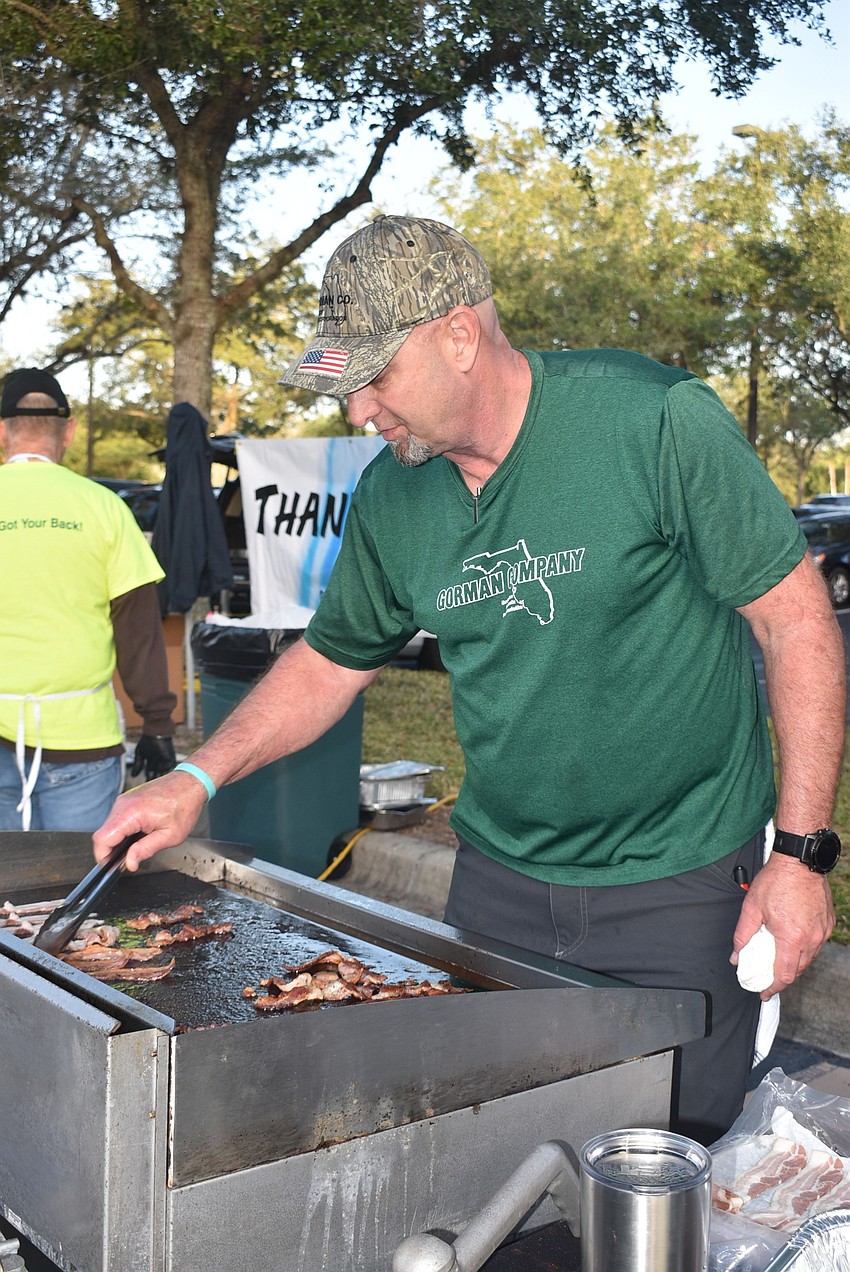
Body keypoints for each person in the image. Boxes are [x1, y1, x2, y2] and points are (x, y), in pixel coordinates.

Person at [94, 215, 846, 1144]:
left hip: (681, 883)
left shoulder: (651, 421)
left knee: (663, 1164)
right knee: (501, 1152)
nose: (358, 411)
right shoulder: (393, 494)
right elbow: (332, 662)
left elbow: (796, 620)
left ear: (459, 335)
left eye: (373, 376)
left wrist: (801, 856)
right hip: (497, 887)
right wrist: (194, 777)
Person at [0, 367, 178, 832]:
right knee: (76, 892)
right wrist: (157, 724)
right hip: (83, 741)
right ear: (70, 431)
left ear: (1, 430)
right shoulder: (104, 508)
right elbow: (139, 632)